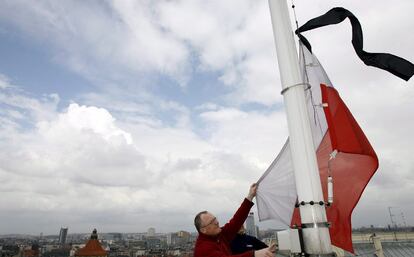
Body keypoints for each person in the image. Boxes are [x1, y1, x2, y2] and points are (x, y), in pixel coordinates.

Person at [193, 183, 275, 257]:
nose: (217, 222)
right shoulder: (203, 249)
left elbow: (236, 222)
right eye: (212, 222)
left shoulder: (218, 235)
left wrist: (250, 196)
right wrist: (254, 254)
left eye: (215, 219)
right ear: (203, 230)